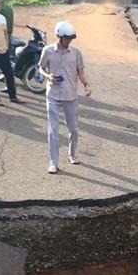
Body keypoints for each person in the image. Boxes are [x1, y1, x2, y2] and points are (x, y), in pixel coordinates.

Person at [37, 21, 91, 174]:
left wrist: (86, 84)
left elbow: (80, 71)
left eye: (71, 39)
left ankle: (73, 154)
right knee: (53, 130)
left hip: (70, 95)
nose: (69, 42)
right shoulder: (47, 51)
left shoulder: (76, 52)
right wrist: (48, 76)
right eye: (67, 39)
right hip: (53, 95)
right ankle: (53, 162)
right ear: (59, 36)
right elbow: (40, 68)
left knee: (73, 128)